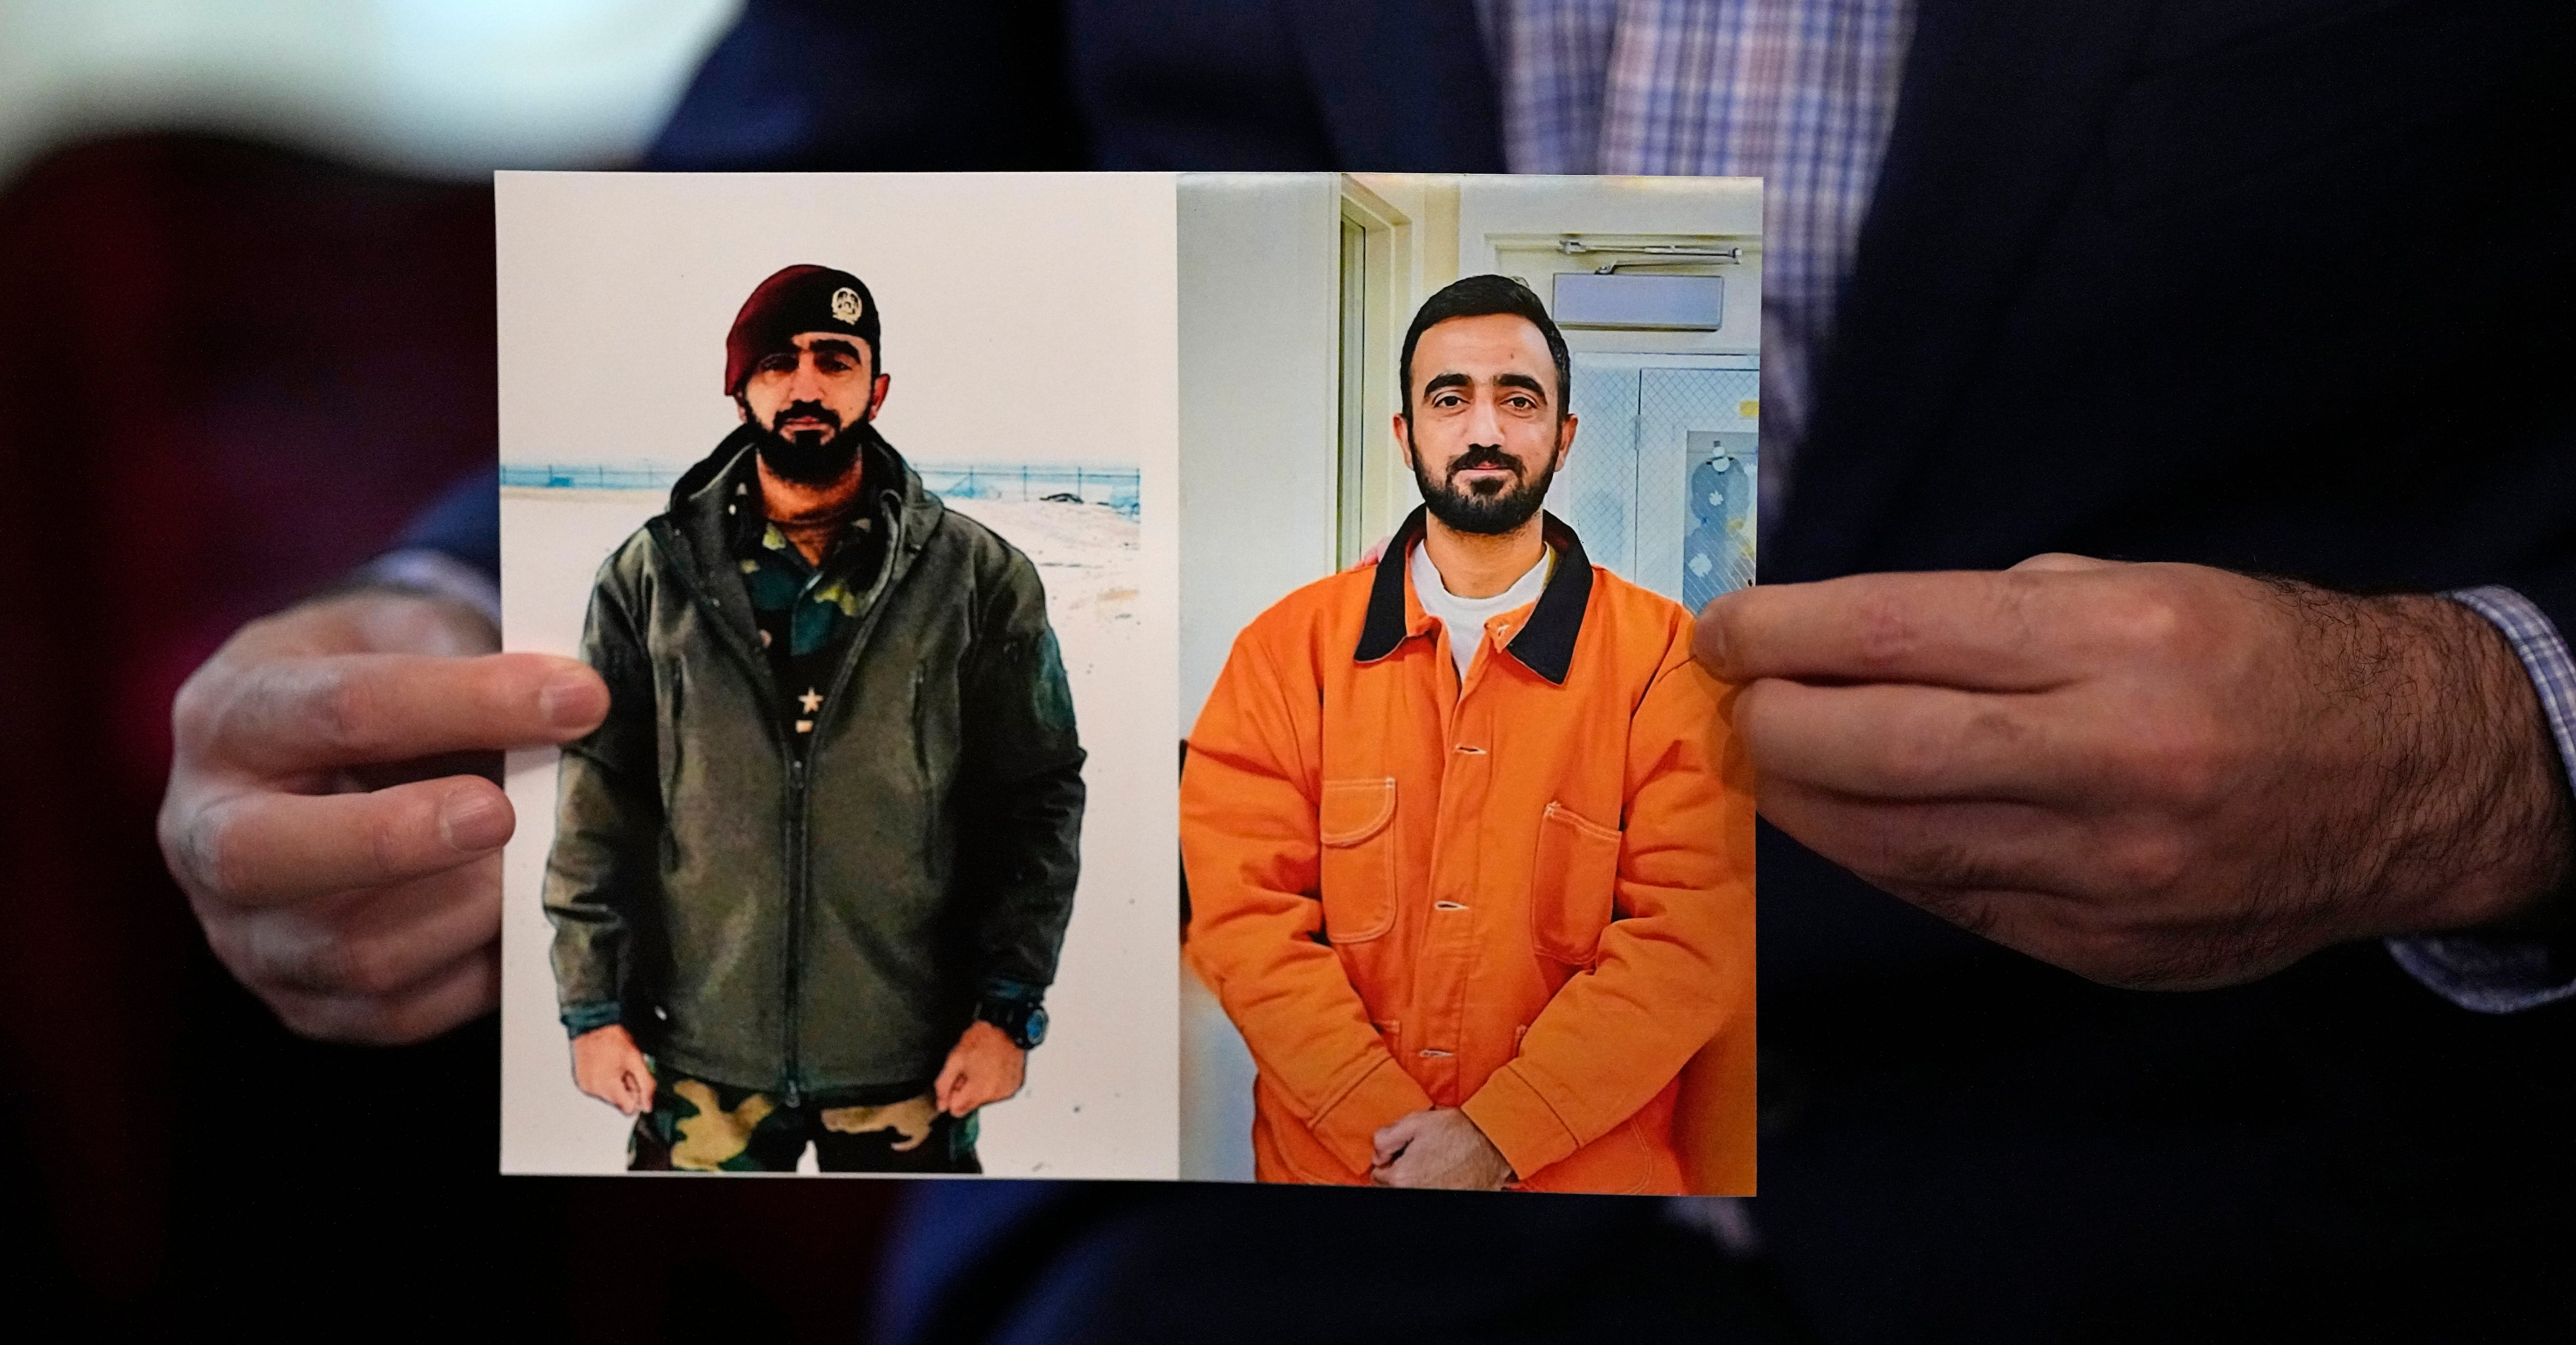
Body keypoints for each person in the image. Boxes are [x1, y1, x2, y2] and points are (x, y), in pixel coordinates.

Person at [156, 1, 2576, 1339]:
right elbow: (842, 150)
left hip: (2305, 1212)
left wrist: (2486, 754)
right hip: (1230, 1248)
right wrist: (475, 617)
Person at [1181, 276, 1755, 1193]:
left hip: (1583, 1192)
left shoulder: (1666, 662)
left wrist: (1500, 1133)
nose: (1484, 429)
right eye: (1450, 398)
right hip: (1336, 1178)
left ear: (1563, 438)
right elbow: (1245, 921)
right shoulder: (1287, 653)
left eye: (1518, 400)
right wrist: (1395, 1135)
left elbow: (1691, 936)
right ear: (1406, 434)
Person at [542, 263, 1083, 1172]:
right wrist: (594, 1012)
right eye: (778, 362)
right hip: (700, 1066)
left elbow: (1036, 802)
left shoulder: (979, 581)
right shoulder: (649, 578)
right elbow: (599, 803)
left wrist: (1007, 1012)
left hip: (909, 1067)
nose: (805, 386)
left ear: (876, 389)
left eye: (835, 361)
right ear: (740, 385)